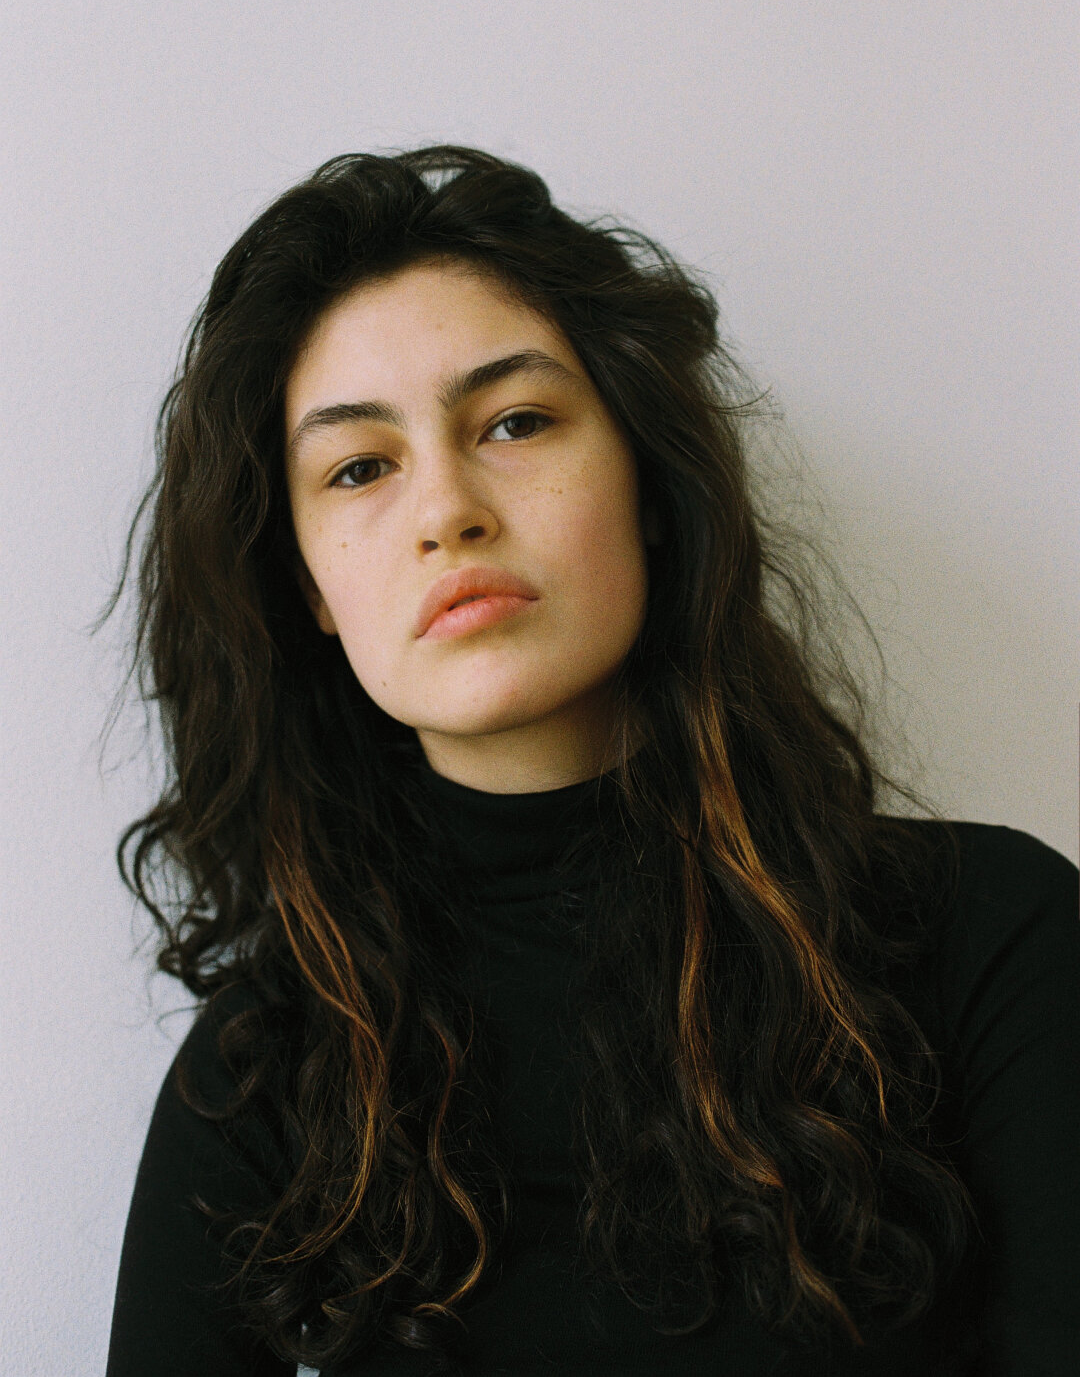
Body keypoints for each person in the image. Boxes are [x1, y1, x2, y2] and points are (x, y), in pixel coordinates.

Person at [104, 146, 1079, 1376]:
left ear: (649, 485)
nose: (447, 510)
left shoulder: (991, 938)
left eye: (514, 422)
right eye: (359, 468)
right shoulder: (267, 1072)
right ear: (306, 587)